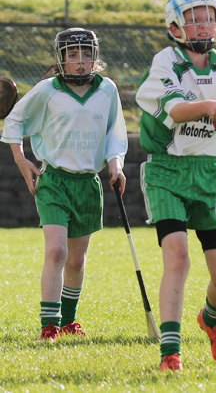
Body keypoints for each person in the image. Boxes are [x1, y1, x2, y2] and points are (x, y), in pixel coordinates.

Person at [1, 28, 127, 342]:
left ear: (95, 58)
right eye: (72, 55)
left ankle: (69, 321)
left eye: (86, 54)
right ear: (61, 59)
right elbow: (14, 121)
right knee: (56, 251)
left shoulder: (107, 89)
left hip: (88, 183)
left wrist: (116, 164)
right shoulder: (47, 90)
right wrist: (22, 160)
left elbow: (115, 133)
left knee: (76, 259)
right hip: (54, 181)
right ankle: (49, 326)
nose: (80, 61)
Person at [136, 0, 216, 371]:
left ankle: (211, 320)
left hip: (214, 174)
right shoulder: (166, 62)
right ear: (174, 26)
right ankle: (170, 352)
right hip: (168, 173)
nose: (203, 23)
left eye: (209, 15)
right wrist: (209, 106)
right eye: (194, 17)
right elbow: (175, 110)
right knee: (177, 257)